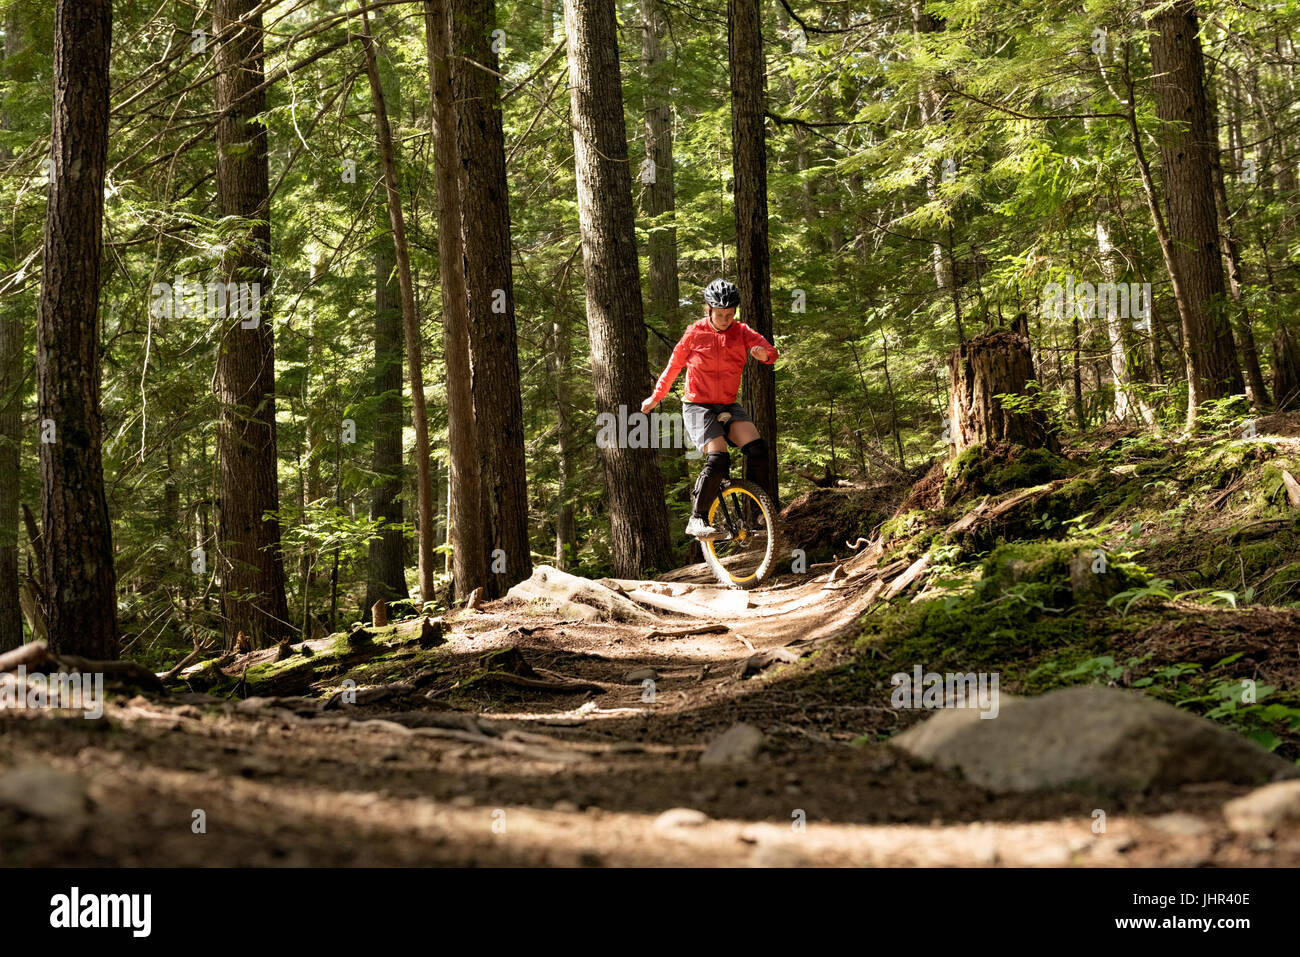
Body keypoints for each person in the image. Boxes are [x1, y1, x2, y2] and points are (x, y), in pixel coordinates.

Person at [640, 278, 778, 540]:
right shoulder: (694, 333)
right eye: (720, 314)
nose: (725, 319)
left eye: (730, 314)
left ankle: (759, 512)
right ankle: (697, 518)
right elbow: (673, 368)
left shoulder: (742, 331)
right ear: (708, 310)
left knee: (758, 449)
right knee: (719, 458)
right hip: (697, 405)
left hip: (727, 404)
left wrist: (766, 356)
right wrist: (655, 398)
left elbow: (771, 351)